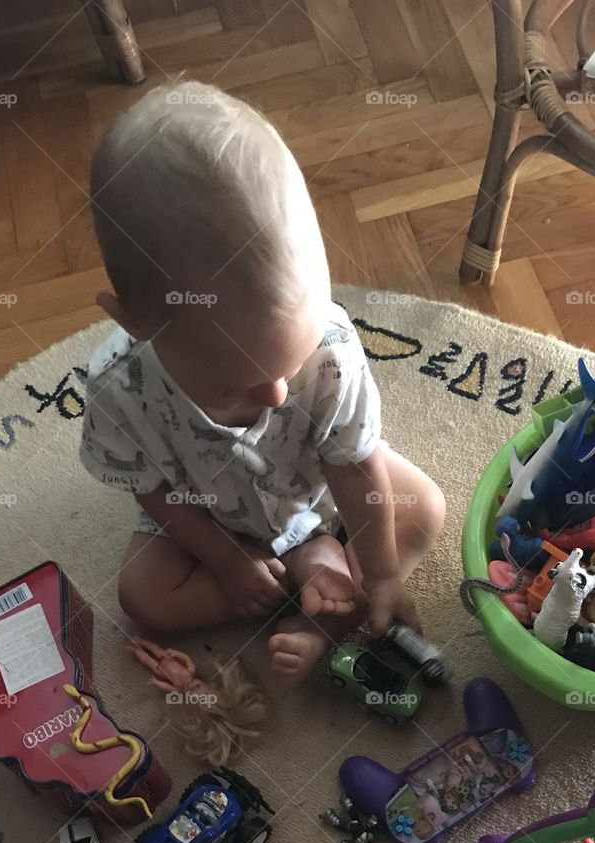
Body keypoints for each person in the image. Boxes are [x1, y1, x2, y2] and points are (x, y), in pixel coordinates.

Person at [79, 82, 445, 687]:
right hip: (206, 511)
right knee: (143, 597)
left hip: (316, 484)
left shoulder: (329, 350)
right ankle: (313, 576)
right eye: (235, 383)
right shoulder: (120, 389)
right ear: (138, 326)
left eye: (288, 362)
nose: (277, 395)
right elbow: (152, 490)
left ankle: (327, 603)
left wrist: (381, 576)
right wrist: (225, 560)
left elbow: (353, 469)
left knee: (422, 510)